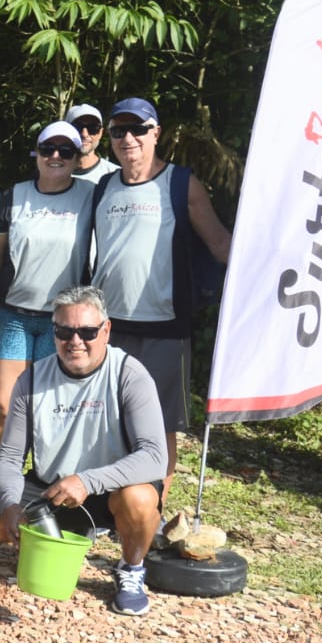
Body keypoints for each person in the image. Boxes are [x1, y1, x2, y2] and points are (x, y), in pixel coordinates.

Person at [0, 286, 167, 617]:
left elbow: (154, 456)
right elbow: (9, 459)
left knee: (141, 500)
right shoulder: (32, 379)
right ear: (54, 332)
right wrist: (9, 506)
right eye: (64, 331)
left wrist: (88, 481)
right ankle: (53, 542)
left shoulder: (129, 374)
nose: (75, 341)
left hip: (109, 489)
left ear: (106, 330)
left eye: (87, 331)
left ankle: (130, 569)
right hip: (51, 488)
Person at [87, 97, 232, 483]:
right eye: (119, 131)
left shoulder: (181, 183)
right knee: (108, 416)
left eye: (138, 129)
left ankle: (155, 505)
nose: (128, 138)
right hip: (108, 325)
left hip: (165, 323)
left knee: (159, 423)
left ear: (156, 133)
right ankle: (109, 501)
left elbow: (219, 243)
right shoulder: (103, 187)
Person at [0, 122, 97, 442]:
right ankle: (6, 486)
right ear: (37, 153)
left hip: (61, 320)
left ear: (76, 157)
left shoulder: (91, 196)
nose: (55, 156)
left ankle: (41, 480)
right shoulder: (15, 195)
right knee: (4, 405)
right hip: (13, 316)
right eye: (48, 149)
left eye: (65, 151)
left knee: (47, 406)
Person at [67, 103, 119, 184]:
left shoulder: (115, 177)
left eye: (92, 128)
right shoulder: (51, 174)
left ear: (101, 133)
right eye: (77, 127)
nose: (84, 134)